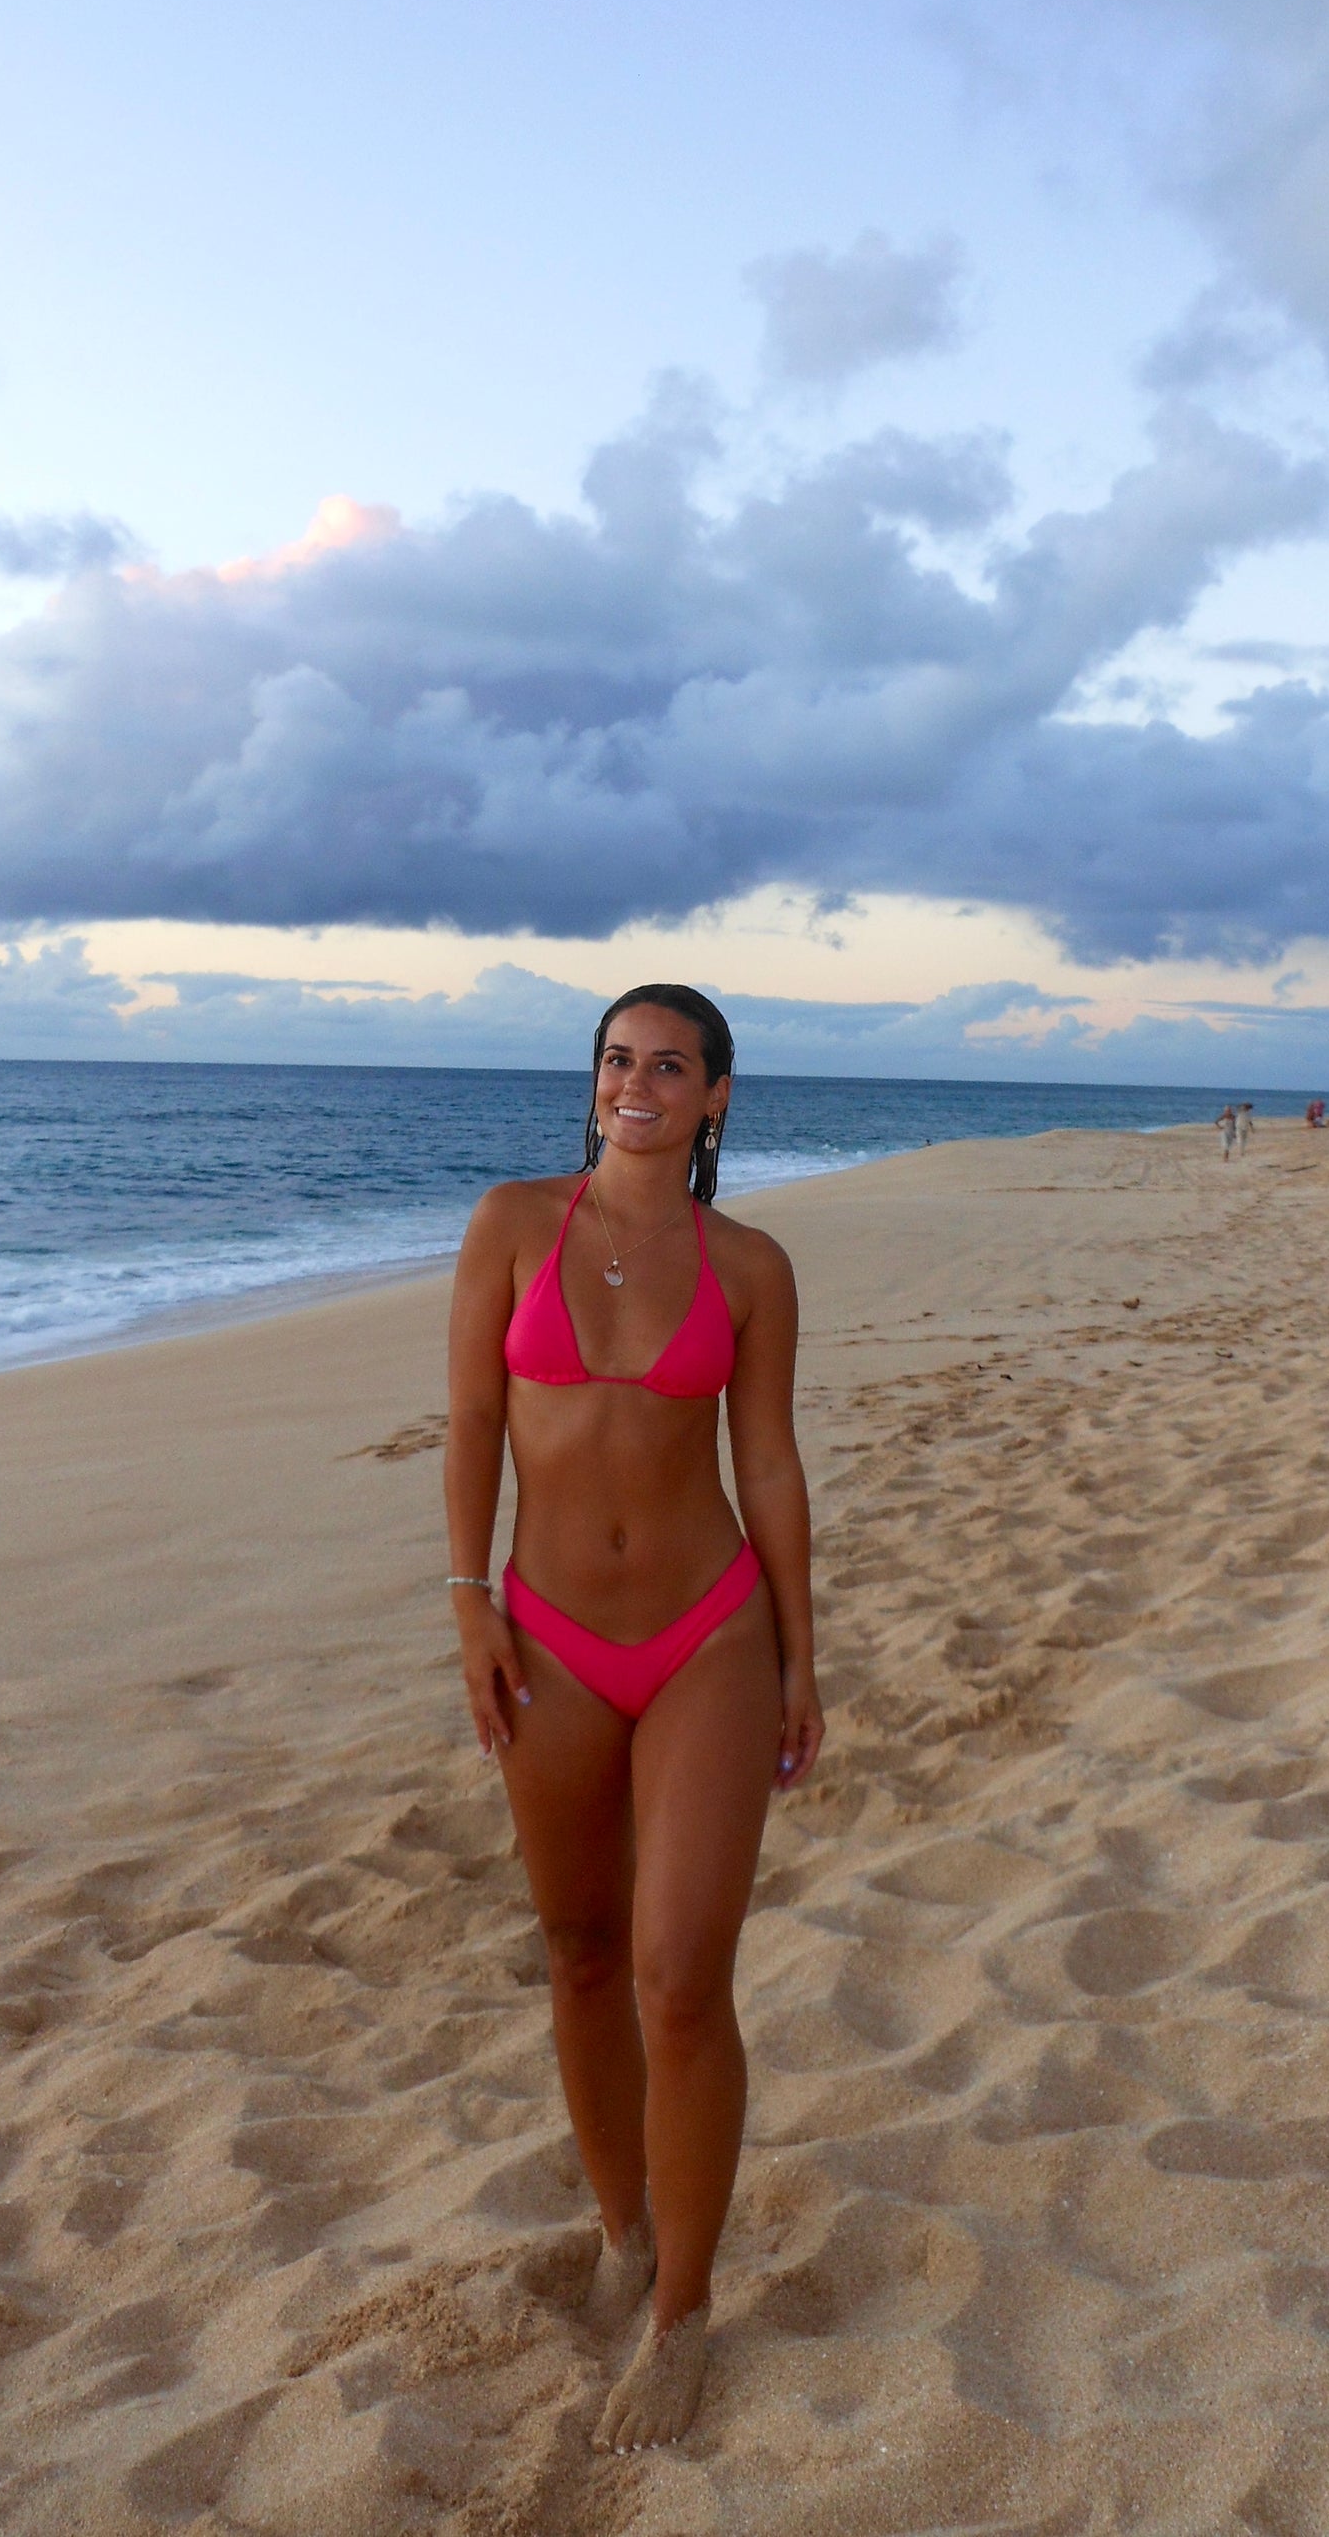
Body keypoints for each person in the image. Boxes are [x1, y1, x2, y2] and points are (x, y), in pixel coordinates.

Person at [443, 984, 822, 2451]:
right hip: (544, 1634)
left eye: (670, 1065)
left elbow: (768, 1464)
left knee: (679, 1973)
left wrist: (799, 1655)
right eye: (618, 1059)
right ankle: (623, 2232)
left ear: (718, 1094)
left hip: (706, 1635)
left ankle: (683, 2313)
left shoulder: (751, 1266)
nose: (637, 1084)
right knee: (583, 1949)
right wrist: (468, 1598)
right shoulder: (511, 1225)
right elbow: (476, 1420)